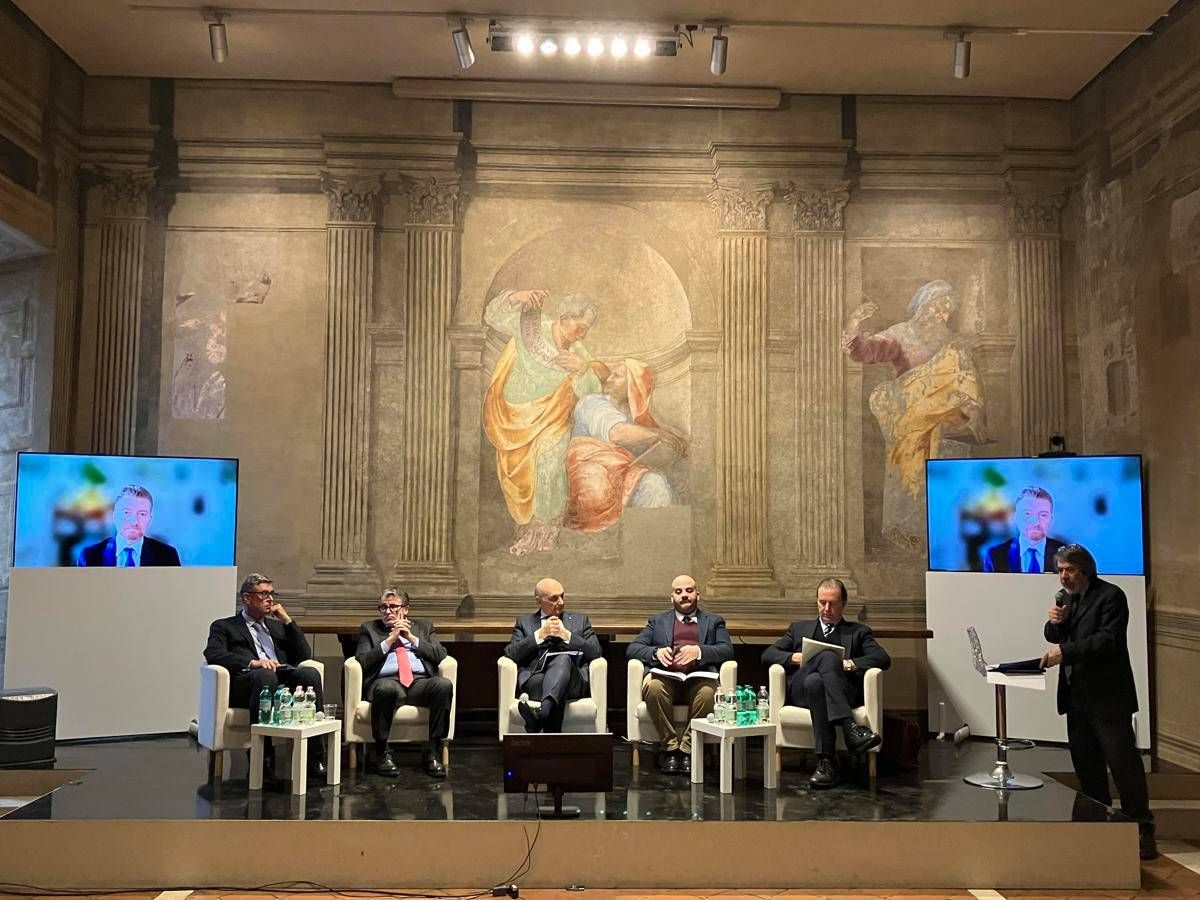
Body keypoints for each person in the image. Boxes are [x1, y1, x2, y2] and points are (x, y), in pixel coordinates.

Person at [842, 280, 990, 551]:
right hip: (910, 416)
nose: (942, 315)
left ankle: (946, 538)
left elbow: (964, 381)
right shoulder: (901, 334)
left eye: (947, 310)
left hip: (946, 421)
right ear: (923, 306)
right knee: (910, 481)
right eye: (938, 307)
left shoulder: (954, 345)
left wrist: (975, 410)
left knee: (945, 485)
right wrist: (855, 323)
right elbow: (864, 351)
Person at [1040, 543, 1156, 859]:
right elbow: (1055, 636)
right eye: (1060, 570)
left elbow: (1108, 640)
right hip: (1076, 697)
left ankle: (1141, 829)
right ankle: (1099, 828)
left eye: (1070, 570)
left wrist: (1066, 651)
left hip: (1108, 698)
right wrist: (1055, 622)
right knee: (1087, 767)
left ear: (1086, 570)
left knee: (1123, 765)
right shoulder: (1068, 599)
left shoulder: (1111, 596)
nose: (1063, 576)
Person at [482, 289, 604, 556]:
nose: (582, 335)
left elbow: (593, 393)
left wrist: (582, 369)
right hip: (515, 418)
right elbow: (492, 317)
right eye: (580, 327)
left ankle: (543, 535)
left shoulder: (577, 352)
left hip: (554, 420)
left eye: (586, 330)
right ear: (565, 317)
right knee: (520, 477)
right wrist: (516, 297)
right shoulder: (532, 328)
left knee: (550, 468)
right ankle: (526, 531)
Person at [761, 578, 890, 788]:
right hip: (800, 692)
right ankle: (850, 728)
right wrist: (795, 657)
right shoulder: (799, 628)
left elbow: (882, 658)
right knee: (826, 659)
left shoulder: (858, 632)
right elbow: (768, 655)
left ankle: (826, 762)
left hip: (838, 692)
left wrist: (849, 664)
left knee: (816, 683)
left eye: (833, 603)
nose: (826, 609)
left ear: (844, 603)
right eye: (822, 603)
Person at [203, 573, 325, 778]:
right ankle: (263, 759)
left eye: (271, 594)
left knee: (309, 674)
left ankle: (315, 758)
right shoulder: (225, 626)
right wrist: (253, 663)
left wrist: (287, 620)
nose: (270, 599)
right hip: (249, 683)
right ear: (247, 598)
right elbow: (213, 653)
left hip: (280, 680)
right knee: (265, 676)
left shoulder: (276, 626)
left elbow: (304, 654)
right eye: (264, 594)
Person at [565, 359, 688, 533]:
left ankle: (650, 543)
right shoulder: (591, 402)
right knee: (601, 488)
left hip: (623, 475)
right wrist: (658, 434)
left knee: (655, 485)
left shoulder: (636, 420)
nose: (608, 379)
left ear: (633, 385)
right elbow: (616, 432)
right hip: (591, 474)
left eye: (617, 376)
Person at [626, 574, 733, 775]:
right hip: (666, 677)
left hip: (700, 678)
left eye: (689, 591)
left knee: (709, 693)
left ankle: (688, 749)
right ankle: (670, 748)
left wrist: (699, 651)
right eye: (679, 591)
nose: (684, 595)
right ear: (672, 597)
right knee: (653, 687)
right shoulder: (657, 621)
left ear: (697, 595)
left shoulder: (714, 621)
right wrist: (656, 653)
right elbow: (633, 648)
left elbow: (727, 650)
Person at [354, 589, 451, 778]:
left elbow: (440, 655)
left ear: (405, 609)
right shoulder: (369, 629)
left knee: (443, 685)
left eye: (393, 607)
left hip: (418, 682)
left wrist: (410, 638)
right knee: (386, 689)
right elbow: (363, 661)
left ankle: (432, 752)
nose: (387, 611)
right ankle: (382, 753)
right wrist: (390, 639)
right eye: (383, 607)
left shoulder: (423, 627)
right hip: (387, 680)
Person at [504, 577, 602, 733]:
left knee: (563, 658)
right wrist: (539, 635)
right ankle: (546, 714)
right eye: (554, 598)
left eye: (562, 596)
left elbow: (596, 652)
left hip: (573, 681)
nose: (561, 602)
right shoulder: (524, 622)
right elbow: (511, 653)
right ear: (539, 601)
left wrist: (567, 635)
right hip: (536, 680)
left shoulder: (580, 621)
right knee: (556, 688)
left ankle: (541, 715)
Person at [77, 484, 181, 566]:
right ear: (114, 515)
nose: (134, 521)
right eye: (126, 512)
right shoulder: (90, 556)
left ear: (149, 519)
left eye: (142, 514)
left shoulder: (168, 556)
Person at [983, 486, 1067, 573]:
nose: (1035, 522)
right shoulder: (995, 555)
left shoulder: (1066, 554)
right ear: (1016, 517)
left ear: (1051, 519)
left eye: (1043, 515)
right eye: (1027, 513)